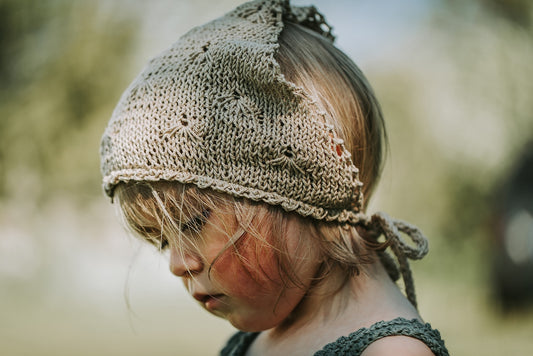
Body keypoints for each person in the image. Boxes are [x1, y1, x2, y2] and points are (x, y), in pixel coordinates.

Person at [100, 0, 449, 355]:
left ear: (304, 188)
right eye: (162, 242)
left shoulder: (391, 352)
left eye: (191, 223)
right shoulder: (257, 341)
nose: (177, 264)